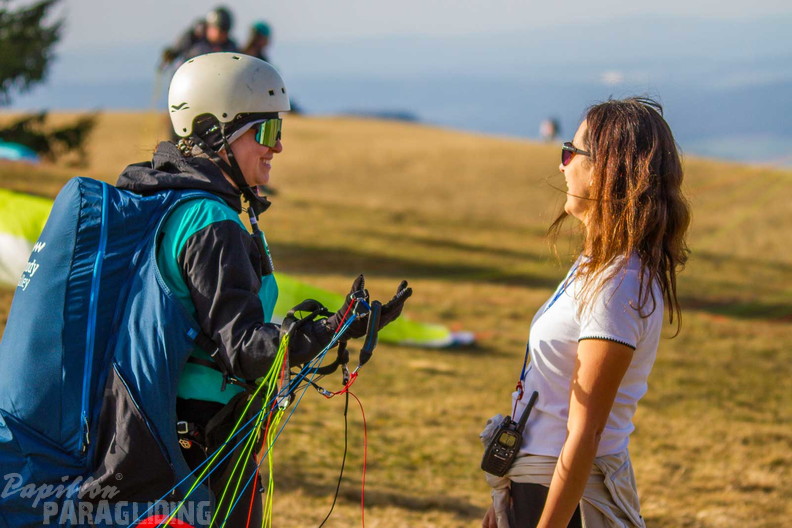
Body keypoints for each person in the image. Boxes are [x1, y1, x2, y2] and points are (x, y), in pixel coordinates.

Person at [119, 52, 412, 526]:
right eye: (267, 132)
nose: (276, 148)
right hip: (202, 445)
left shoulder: (162, 199)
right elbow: (243, 349)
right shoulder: (210, 222)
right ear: (216, 133)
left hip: (155, 429)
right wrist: (333, 330)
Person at [481, 97, 690, 528]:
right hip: (538, 487)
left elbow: (585, 434)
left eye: (570, 153)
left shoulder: (617, 283)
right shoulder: (596, 267)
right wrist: (503, 501)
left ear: (606, 169)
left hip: (569, 503)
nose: (562, 166)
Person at [160, 6, 238, 69]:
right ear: (210, 27)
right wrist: (171, 54)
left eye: (225, 31)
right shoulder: (193, 38)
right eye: (219, 30)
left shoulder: (230, 48)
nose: (222, 35)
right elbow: (176, 49)